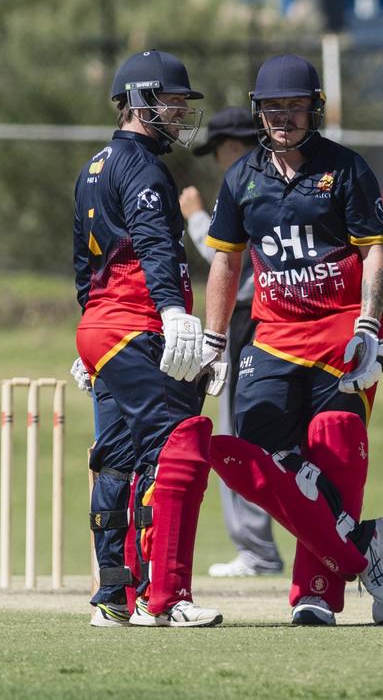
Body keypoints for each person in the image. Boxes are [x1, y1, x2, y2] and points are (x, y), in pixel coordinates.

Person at [202, 54, 383, 626]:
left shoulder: (346, 169)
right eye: (271, 108)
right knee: (257, 458)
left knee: (332, 445)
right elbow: (225, 265)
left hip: (342, 332)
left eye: (293, 106)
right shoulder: (241, 178)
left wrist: (369, 323)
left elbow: (374, 252)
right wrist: (214, 341)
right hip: (276, 338)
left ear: (314, 108)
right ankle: (363, 549)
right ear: (258, 113)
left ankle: (316, 592)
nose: (282, 117)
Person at [72, 49, 222, 627]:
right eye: (172, 102)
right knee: (174, 447)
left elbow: (86, 266)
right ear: (139, 103)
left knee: (115, 460)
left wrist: (87, 339)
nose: (182, 113)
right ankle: (165, 597)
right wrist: (173, 313)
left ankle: (114, 596)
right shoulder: (141, 167)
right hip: (136, 325)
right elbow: (155, 244)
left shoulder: (93, 167)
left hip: (103, 331)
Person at [180, 107, 284, 578]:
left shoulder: (248, 183)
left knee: (239, 435)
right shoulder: (278, 181)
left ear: (236, 146)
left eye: (221, 150)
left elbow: (230, 264)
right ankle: (272, 547)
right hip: (267, 324)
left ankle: (258, 550)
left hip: (251, 326)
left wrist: (197, 219)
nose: (220, 160)